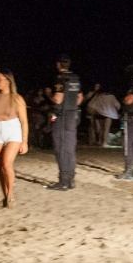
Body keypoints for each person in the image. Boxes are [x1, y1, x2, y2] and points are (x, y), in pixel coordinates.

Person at [0, 68, 30, 208]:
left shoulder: (17, 98)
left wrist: (25, 141)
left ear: (8, 81)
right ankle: (5, 196)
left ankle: (10, 195)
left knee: (6, 164)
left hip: (13, 131)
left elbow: (24, 121)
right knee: (0, 166)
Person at [48, 55, 83, 190]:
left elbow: (58, 99)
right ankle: (71, 180)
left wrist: (49, 95)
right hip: (73, 115)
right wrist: (72, 107)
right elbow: (80, 97)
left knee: (60, 148)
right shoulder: (75, 78)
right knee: (69, 148)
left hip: (62, 117)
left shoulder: (61, 78)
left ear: (58, 65)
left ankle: (63, 181)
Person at [85, 83, 120, 147]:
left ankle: (99, 141)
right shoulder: (112, 96)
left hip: (99, 114)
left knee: (100, 129)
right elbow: (118, 105)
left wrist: (92, 111)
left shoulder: (98, 95)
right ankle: (104, 142)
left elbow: (91, 104)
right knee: (106, 129)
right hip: (109, 115)